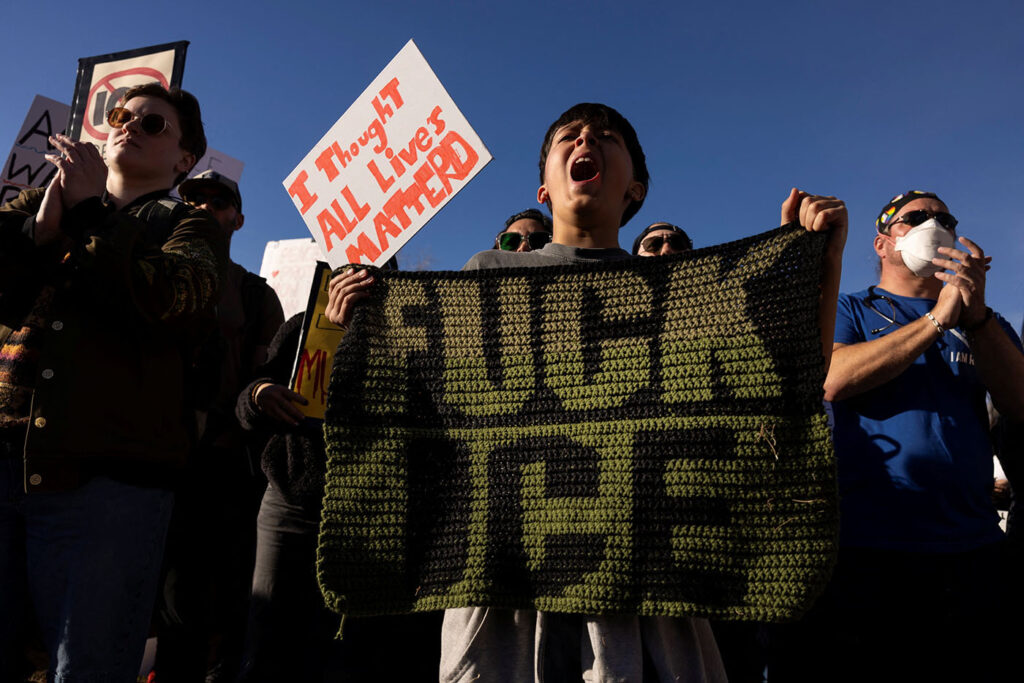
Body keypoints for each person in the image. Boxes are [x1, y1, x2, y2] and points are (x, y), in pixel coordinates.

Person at [329, 102, 846, 682]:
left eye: (606, 138)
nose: (586, 141)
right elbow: (420, 413)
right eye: (568, 137)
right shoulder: (486, 273)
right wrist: (359, 330)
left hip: (648, 592)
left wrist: (824, 263)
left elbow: (787, 385)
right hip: (503, 589)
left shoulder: (685, 291)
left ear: (636, 190)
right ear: (544, 189)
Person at [0, 83, 226, 680]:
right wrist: (43, 229)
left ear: (185, 159)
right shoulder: (35, 202)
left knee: (87, 666)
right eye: (122, 116)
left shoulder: (193, 228)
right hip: (6, 459)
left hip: (106, 486)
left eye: (153, 125)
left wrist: (93, 211)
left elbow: (173, 300)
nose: (129, 126)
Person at [770, 191, 1024, 683]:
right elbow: (832, 378)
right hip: (867, 551)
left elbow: (1018, 404)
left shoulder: (985, 324)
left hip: (971, 552)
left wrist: (974, 317)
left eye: (945, 218)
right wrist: (935, 321)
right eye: (917, 217)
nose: (936, 223)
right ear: (883, 243)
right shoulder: (853, 309)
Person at [153, 170, 284, 682]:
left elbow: (264, 377)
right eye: (194, 197)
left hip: (220, 470)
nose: (205, 206)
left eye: (218, 200)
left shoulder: (255, 295)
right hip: (144, 462)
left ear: (238, 219)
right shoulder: (149, 272)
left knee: (211, 612)